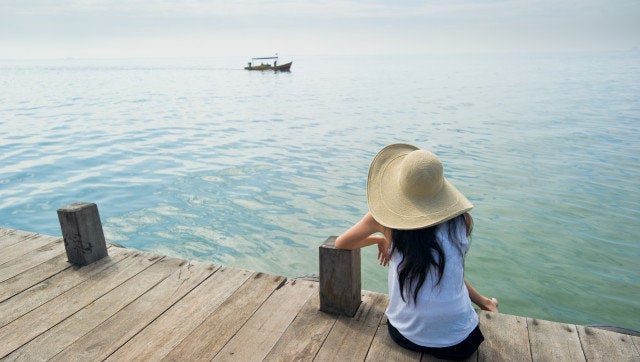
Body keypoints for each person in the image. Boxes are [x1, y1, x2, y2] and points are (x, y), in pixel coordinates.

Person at [335, 143, 499, 360]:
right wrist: (482, 302)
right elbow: (450, 272)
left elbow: (341, 243)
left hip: (406, 334)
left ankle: (485, 302)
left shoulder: (385, 222)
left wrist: (379, 239)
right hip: (463, 342)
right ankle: (486, 302)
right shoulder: (461, 220)